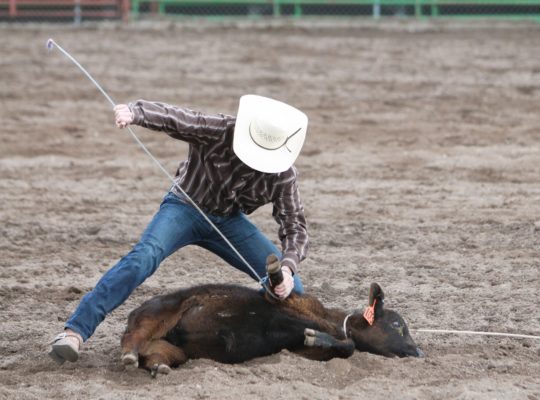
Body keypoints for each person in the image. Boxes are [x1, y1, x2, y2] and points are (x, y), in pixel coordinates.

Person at [48, 94, 310, 365]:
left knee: (292, 290)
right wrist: (136, 113)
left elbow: (295, 227)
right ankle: (75, 332)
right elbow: (177, 118)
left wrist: (288, 269)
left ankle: (258, 338)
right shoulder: (221, 130)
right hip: (184, 206)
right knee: (143, 258)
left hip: (228, 222)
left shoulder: (284, 175)